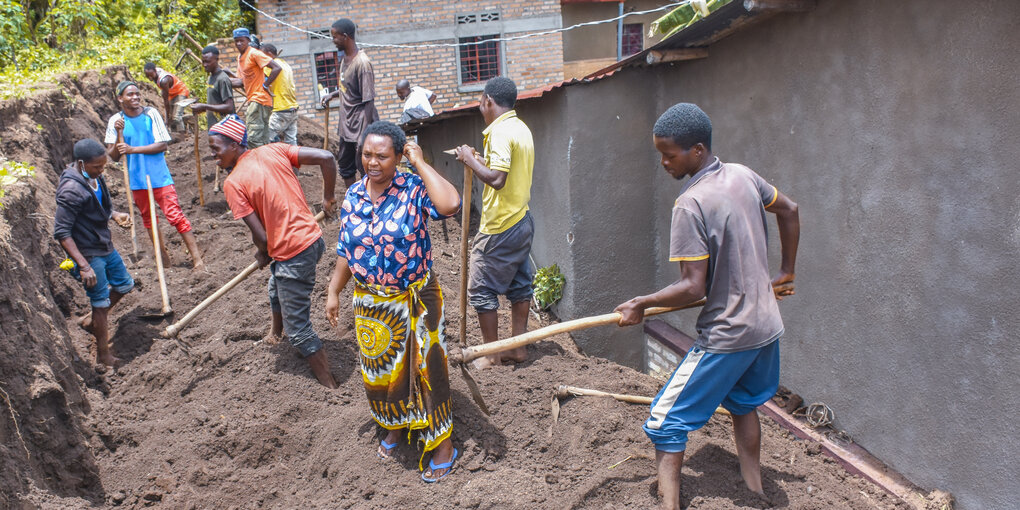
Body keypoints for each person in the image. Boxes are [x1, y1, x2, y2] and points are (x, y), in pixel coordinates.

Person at [613, 103, 800, 509]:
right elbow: (790, 208)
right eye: (660, 153)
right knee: (743, 402)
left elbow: (693, 288)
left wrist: (642, 303)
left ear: (697, 150)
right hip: (766, 326)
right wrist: (786, 273)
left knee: (664, 422)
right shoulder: (743, 175)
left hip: (729, 333)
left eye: (670, 154)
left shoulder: (690, 204)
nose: (664, 162)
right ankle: (755, 492)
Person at [325, 121, 461, 482]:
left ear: (399, 156)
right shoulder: (354, 194)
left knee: (429, 370)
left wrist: (419, 162)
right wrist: (334, 289)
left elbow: (450, 205)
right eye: (367, 154)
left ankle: (442, 444)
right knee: (382, 373)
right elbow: (347, 248)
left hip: (416, 298)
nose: (373, 162)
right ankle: (395, 426)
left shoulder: (415, 188)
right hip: (371, 304)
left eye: (382, 156)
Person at [207, 115, 339, 389]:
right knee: (274, 287)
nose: (213, 155)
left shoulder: (233, 183)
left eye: (216, 148)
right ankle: (274, 335)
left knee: (299, 331)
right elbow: (327, 157)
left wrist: (261, 253)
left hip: (293, 253)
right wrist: (328, 196)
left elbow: (261, 237)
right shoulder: (274, 149)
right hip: (313, 240)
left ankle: (330, 385)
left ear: (234, 144)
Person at [453, 76, 535, 369]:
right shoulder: (520, 128)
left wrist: (469, 160)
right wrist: (480, 158)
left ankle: (491, 354)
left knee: (480, 288)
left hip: (500, 225)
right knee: (519, 284)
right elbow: (504, 168)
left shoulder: (500, 132)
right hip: (521, 219)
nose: (480, 107)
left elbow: (498, 179)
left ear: (488, 100)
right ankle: (517, 348)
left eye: (480, 102)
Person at [105, 80, 205, 270]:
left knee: (175, 216)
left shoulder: (150, 114)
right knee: (149, 220)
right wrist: (119, 132)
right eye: (129, 94)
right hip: (137, 180)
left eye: (136, 94)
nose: (135, 97)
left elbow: (162, 145)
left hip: (159, 177)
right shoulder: (115, 121)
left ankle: (197, 258)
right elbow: (114, 155)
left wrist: (133, 149)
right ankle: (164, 257)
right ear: (120, 99)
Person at [54, 139, 135, 367]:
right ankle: (104, 356)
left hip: (103, 244)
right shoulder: (71, 190)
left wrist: (115, 214)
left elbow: (99, 207)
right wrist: (83, 265)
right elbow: (62, 231)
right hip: (88, 253)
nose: (101, 171)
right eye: (97, 167)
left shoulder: (93, 178)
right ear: (81, 163)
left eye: (103, 166)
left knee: (124, 285)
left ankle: (92, 322)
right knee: (100, 303)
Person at [319, 18, 379, 187]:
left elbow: (369, 100)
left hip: (361, 124)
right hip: (347, 125)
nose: (333, 40)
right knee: (345, 165)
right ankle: (352, 199)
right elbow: (349, 88)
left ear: (345, 37)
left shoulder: (362, 63)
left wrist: (365, 134)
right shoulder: (345, 59)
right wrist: (332, 94)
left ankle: (370, 201)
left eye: (335, 37)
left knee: (365, 167)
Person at [231, 27, 281, 149]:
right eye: (236, 41)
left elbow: (277, 68)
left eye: (241, 40)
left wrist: (265, 85)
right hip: (256, 101)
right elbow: (240, 82)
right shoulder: (240, 58)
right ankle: (268, 164)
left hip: (259, 100)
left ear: (247, 40)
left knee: (253, 139)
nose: (239, 43)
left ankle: (260, 164)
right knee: (262, 140)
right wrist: (222, 80)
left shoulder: (254, 53)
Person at [261, 43, 300, 146]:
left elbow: (260, 79)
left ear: (268, 54)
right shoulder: (285, 64)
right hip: (292, 109)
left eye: (262, 55)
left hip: (281, 110)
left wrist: (264, 85)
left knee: (265, 139)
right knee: (291, 142)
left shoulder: (270, 67)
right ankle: (294, 161)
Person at [189, 46, 236, 128]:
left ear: (217, 59)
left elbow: (229, 107)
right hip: (215, 128)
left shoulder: (222, 79)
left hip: (224, 129)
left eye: (208, 62)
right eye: (203, 62)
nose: (204, 65)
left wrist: (204, 106)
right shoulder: (211, 77)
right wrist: (201, 109)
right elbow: (216, 103)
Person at [143, 62, 191, 133]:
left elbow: (166, 101)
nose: (150, 78)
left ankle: (182, 136)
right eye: (147, 76)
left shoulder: (164, 80)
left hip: (181, 91)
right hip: (172, 93)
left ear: (155, 71)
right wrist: (168, 118)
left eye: (151, 75)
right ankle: (173, 134)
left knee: (176, 117)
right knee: (171, 117)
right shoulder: (155, 73)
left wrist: (167, 120)